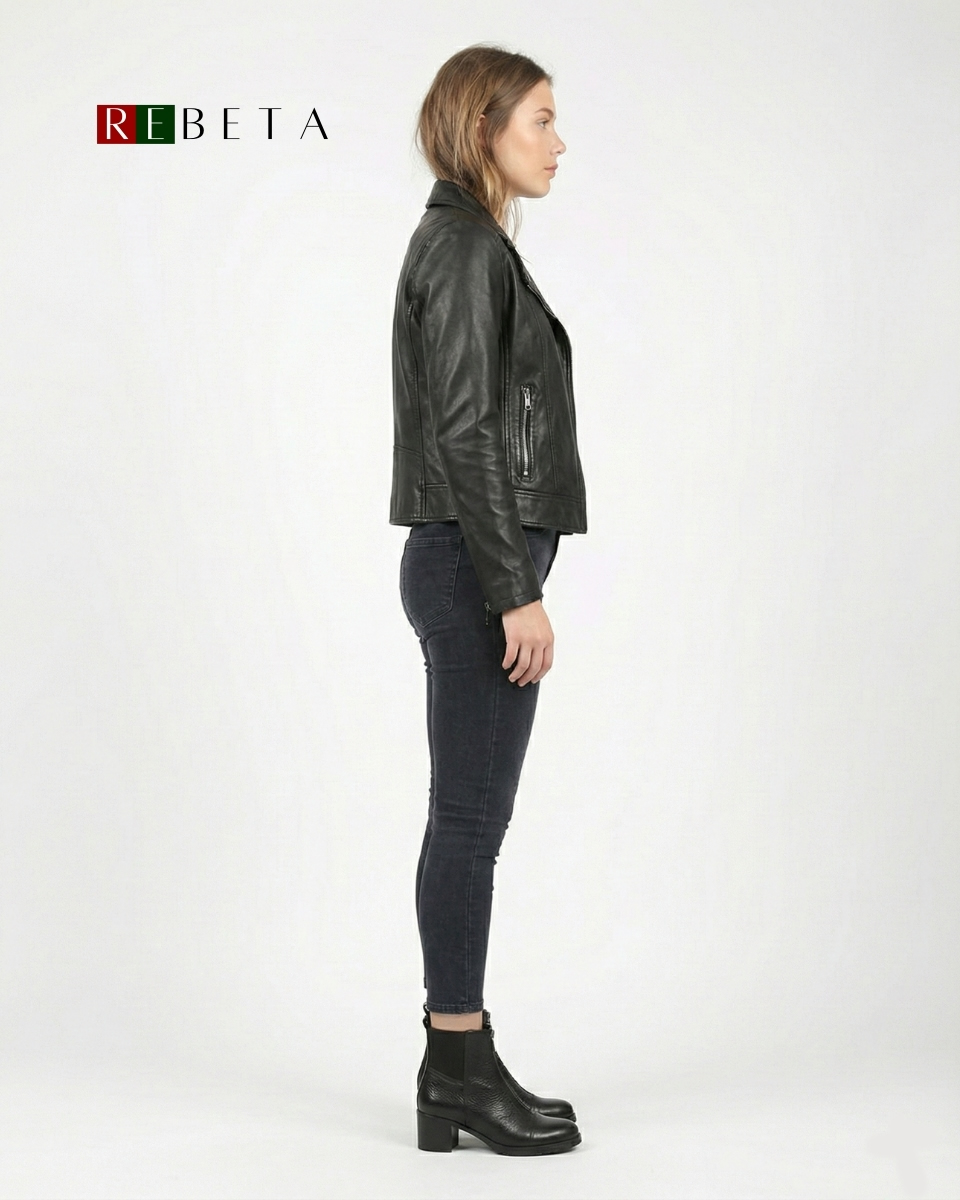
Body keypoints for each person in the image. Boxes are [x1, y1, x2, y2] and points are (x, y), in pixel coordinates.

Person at [390, 44, 588, 1156]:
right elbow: (467, 431)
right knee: (468, 823)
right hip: (477, 568)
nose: (559, 143)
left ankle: (458, 1066)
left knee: (470, 819)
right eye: (541, 119)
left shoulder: (469, 243)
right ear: (484, 128)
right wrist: (516, 591)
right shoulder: (465, 247)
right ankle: (456, 1066)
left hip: (474, 562)